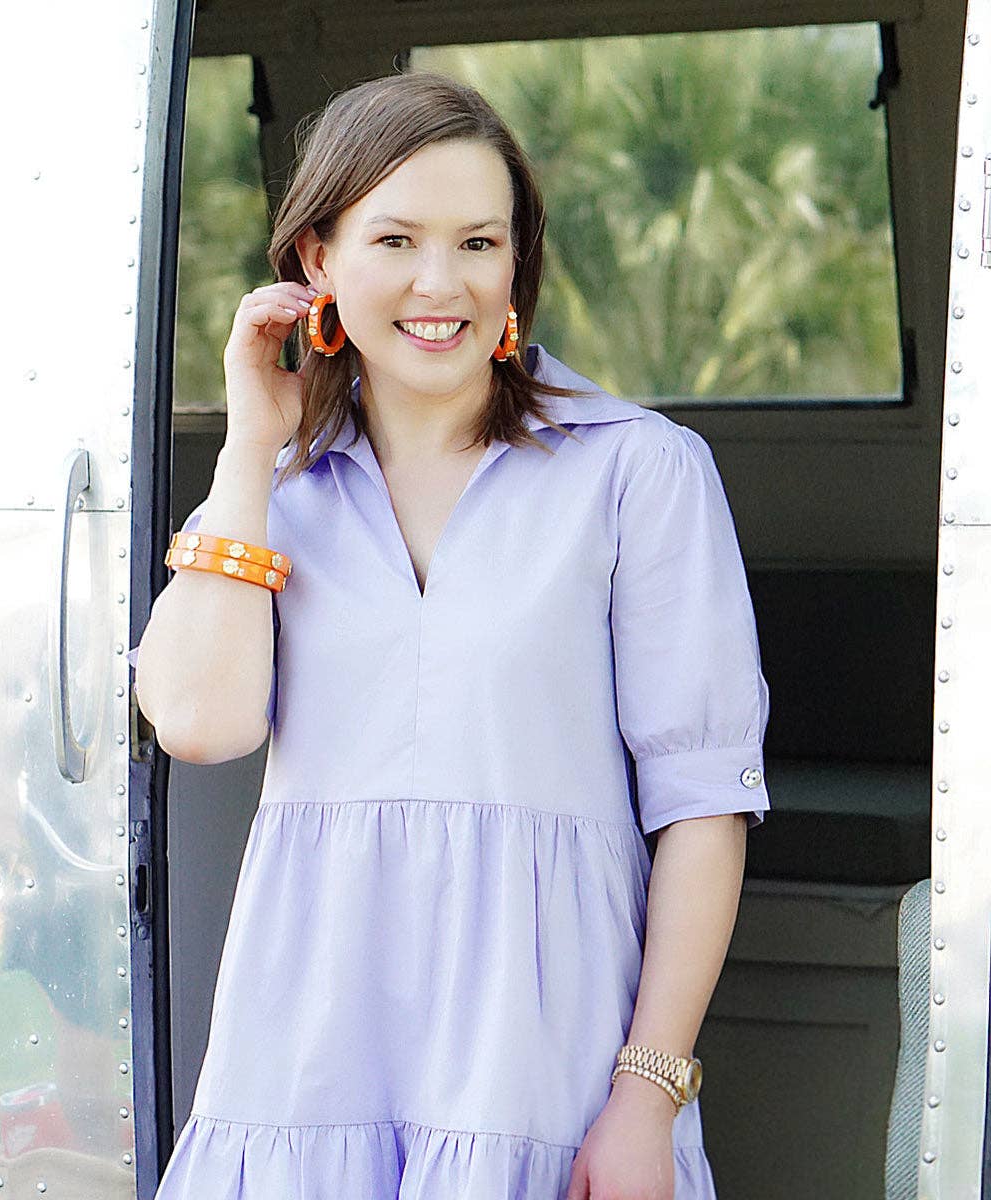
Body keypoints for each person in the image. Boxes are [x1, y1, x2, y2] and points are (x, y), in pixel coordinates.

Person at [130, 70, 771, 1200]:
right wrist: (246, 449)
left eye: (480, 242)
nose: (442, 283)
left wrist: (648, 1092)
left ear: (517, 263)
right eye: (396, 239)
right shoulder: (272, 491)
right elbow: (199, 722)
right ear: (318, 262)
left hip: (546, 1069)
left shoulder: (639, 472)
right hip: (305, 1066)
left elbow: (704, 805)